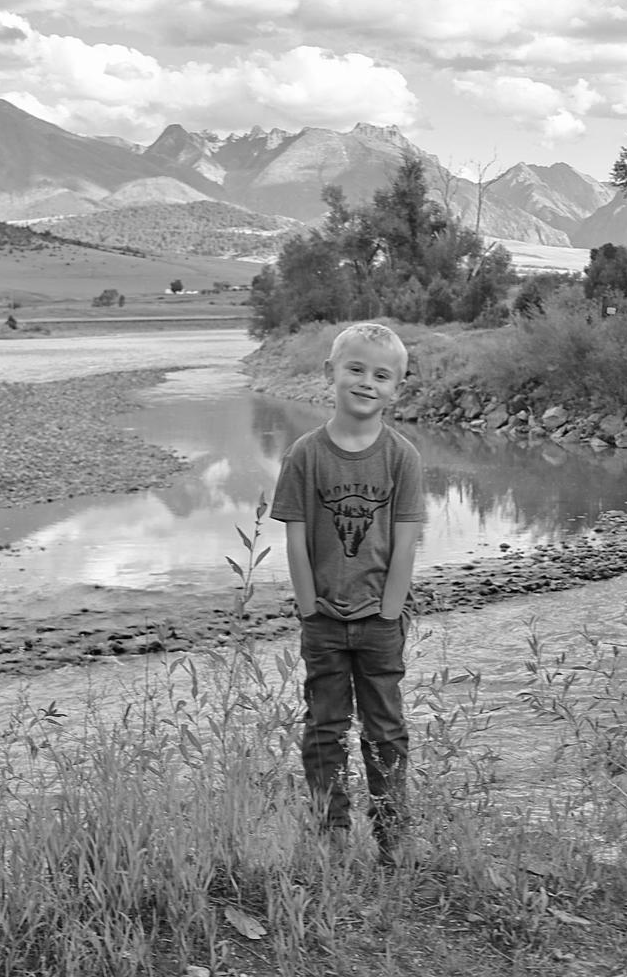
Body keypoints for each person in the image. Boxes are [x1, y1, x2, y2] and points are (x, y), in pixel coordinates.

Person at [269, 322, 425, 867]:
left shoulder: (402, 457)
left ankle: (392, 835)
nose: (366, 382)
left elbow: (406, 540)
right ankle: (331, 833)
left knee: (386, 729)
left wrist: (389, 610)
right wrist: (309, 606)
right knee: (324, 728)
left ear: (397, 389)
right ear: (329, 373)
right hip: (324, 621)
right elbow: (294, 537)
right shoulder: (304, 455)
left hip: (381, 621)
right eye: (355, 369)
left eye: (381, 375)